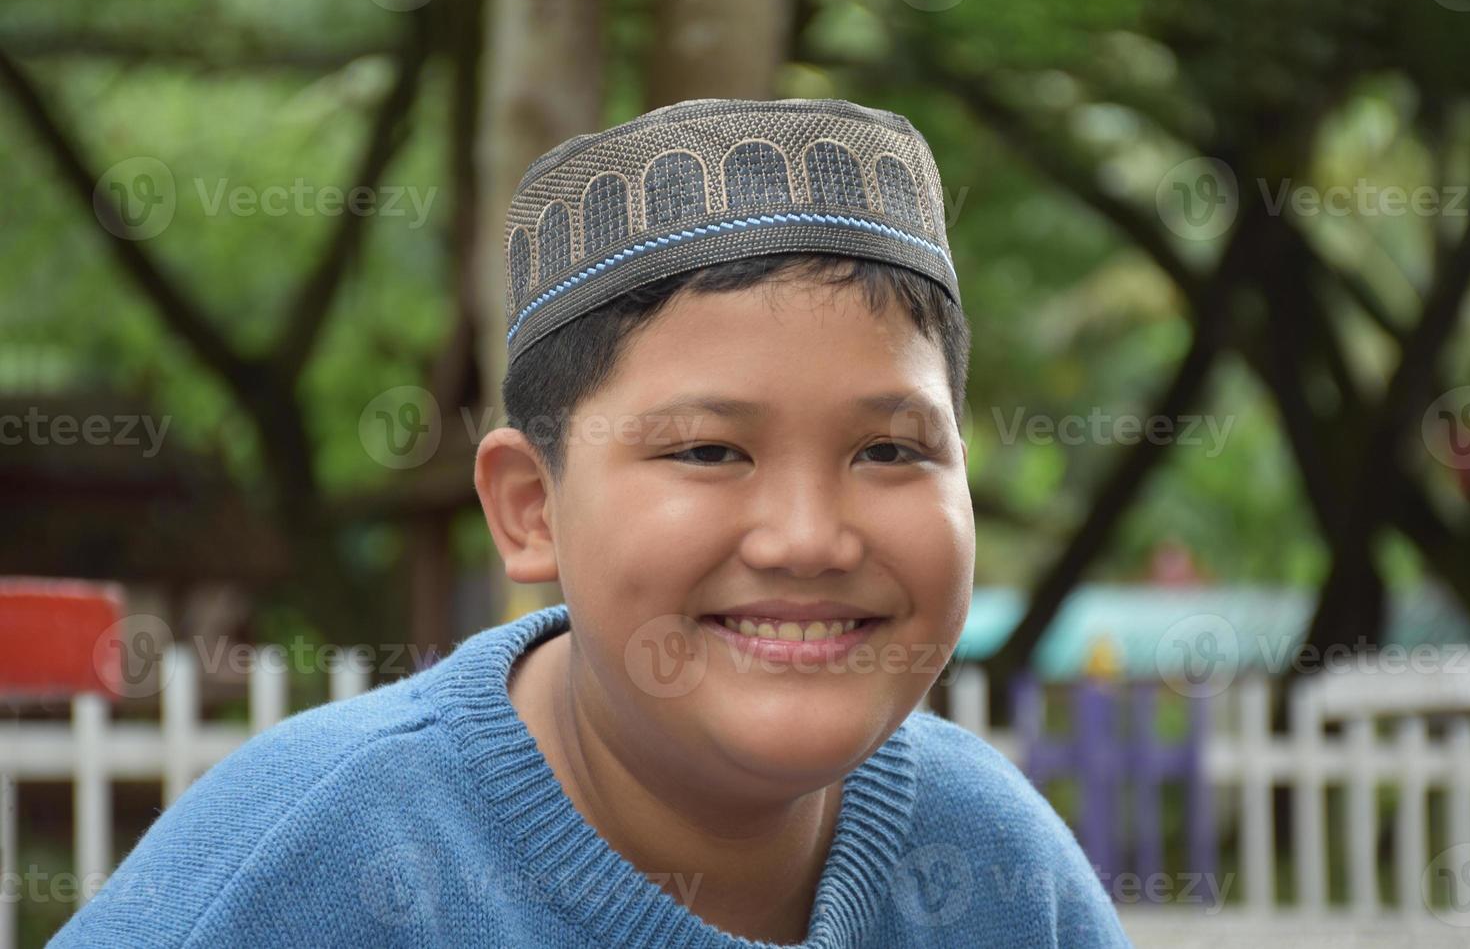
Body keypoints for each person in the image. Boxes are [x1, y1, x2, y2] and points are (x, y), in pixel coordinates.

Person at [50, 98, 1131, 948]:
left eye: (889, 450)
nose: (808, 537)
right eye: (709, 449)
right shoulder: (308, 865)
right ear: (530, 508)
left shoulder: (998, 870)